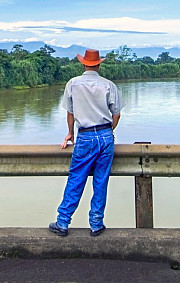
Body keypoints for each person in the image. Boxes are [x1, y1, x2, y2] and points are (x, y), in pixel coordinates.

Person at [49, 48, 124, 237]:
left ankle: (63, 222)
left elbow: (70, 114)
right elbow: (116, 114)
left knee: (76, 179)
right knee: (101, 180)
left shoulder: (73, 84)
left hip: (85, 136)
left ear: (83, 64)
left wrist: (70, 133)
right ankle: (96, 224)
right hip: (105, 136)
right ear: (98, 65)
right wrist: (108, 132)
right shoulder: (108, 85)